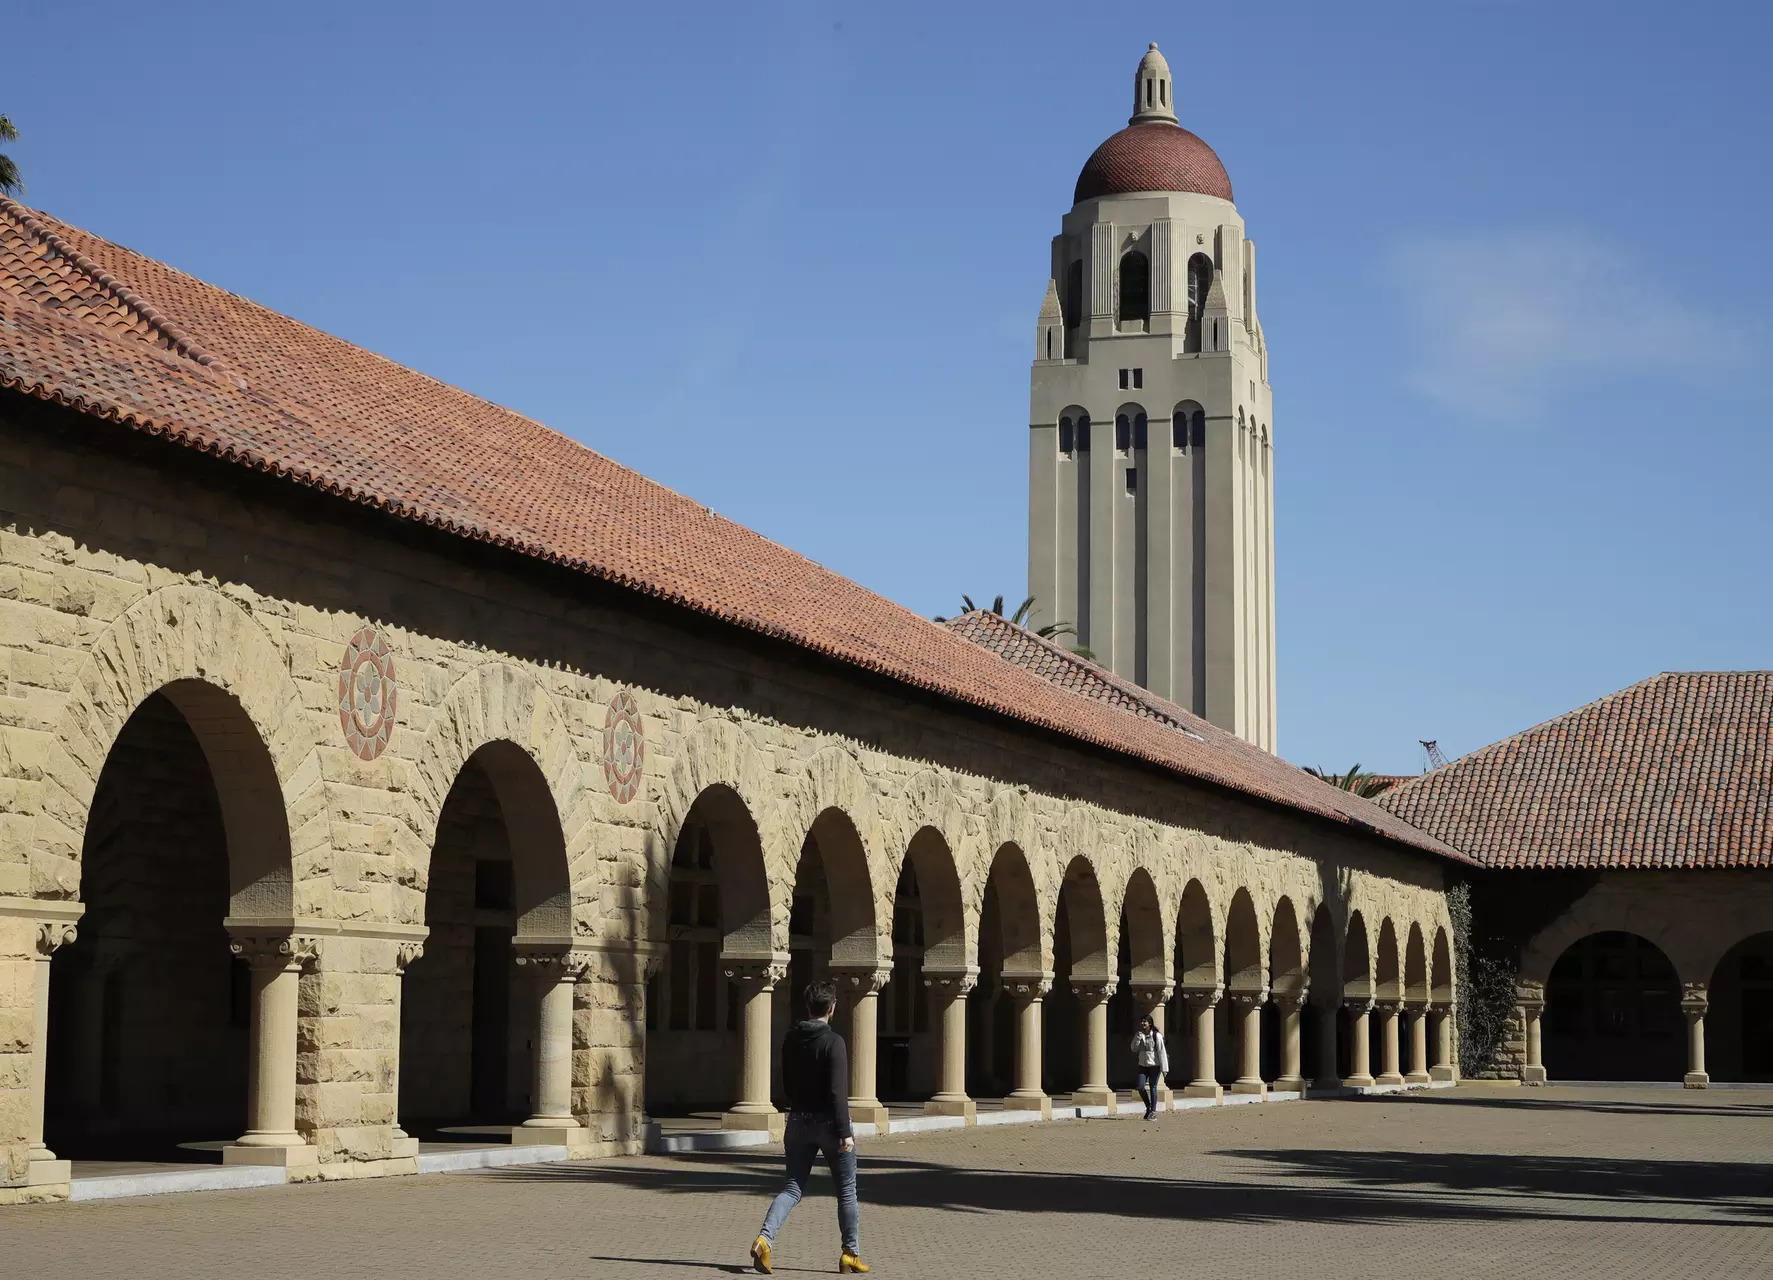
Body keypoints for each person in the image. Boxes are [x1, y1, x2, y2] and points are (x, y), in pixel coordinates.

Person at [751, 979, 870, 1275]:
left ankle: (764, 1240)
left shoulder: (792, 1038)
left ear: (808, 1007)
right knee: (846, 1191)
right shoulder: (834, 1042)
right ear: (831, 1008)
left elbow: (788, 1083)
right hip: (831, 1123)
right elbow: (837, 1092)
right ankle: (850, 1254)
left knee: (792, 1187)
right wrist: (845, 1133)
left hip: (799, 1119)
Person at [1131, 1013, 1169, 1121]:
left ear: (1150, 1023)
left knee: (1153, 1087)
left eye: (1145, 1021)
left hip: (1154, 1065)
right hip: (1143, 1064)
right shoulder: (1139, 1034)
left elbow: (1162, 1051)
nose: (1143, 1023)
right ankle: (1148, 1107)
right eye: (1142, 1021)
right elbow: (1133, 1048)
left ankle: (1153, 1111)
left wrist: (1164, 1068)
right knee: (1140, 1086)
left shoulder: (1156, 1036)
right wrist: (1137, 1039)